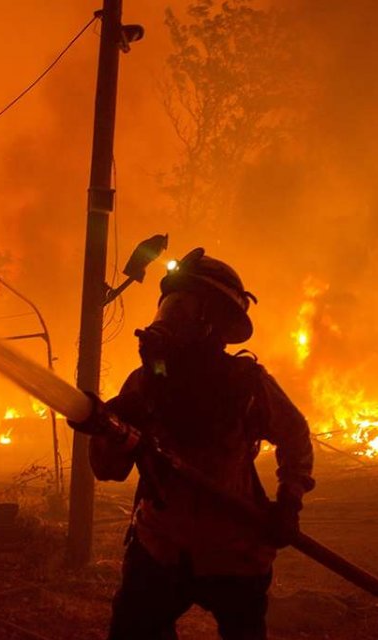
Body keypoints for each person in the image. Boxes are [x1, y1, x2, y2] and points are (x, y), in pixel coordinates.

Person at [78, 248, 315, 640]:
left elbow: (296, 435)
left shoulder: (245, 385)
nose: (170, 319)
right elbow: (107, 470)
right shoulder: (144, 383)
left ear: (214, 322)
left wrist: (289, 501)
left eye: (183, 308)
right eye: (169, 306)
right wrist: (116, 429)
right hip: (161, 545)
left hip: (234, 550)